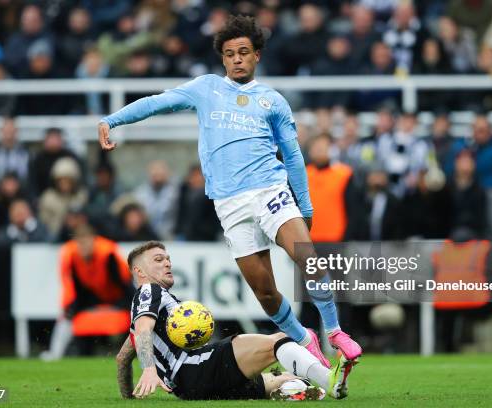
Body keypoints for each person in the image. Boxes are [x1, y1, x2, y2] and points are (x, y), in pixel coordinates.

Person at [98, 15, 362, 371]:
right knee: (264, 292)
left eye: (243, 52)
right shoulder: (205, 88)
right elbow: (157, 102)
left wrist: (305, 203)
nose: (236, 59)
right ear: (222, 58)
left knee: (308, 257)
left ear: (256, 56)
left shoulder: (272, 101)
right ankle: (304, 339)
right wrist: (112, 120)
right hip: (229, 203)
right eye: (229, 54)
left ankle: (333, 331)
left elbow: (295, 157)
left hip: (270, 189)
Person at [115, 241, 352, 400]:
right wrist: (148, 369)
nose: (167, 263)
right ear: (139, 272)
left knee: (279, 379)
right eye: (158, 260)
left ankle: (292, 385)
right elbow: (144, 330)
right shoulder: (149, 291)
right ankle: (328, 380)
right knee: (278, 340)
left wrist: (129, 397)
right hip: (195, 368)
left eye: (167, 258)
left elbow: (123, 358)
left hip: (190, 388)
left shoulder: (145, 313)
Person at [41, 224, 133, 360]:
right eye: (80, 243)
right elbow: (79, 291)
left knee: (139, 316)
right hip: (93, 298)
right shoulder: (73, 257)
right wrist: (72, 308)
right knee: (66, 316)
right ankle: (55, 354)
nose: (83, 247)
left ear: (94, 240)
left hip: (118, 298)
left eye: (87, 242)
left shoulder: (108, 255)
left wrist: (126, 306)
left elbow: (125, 286)